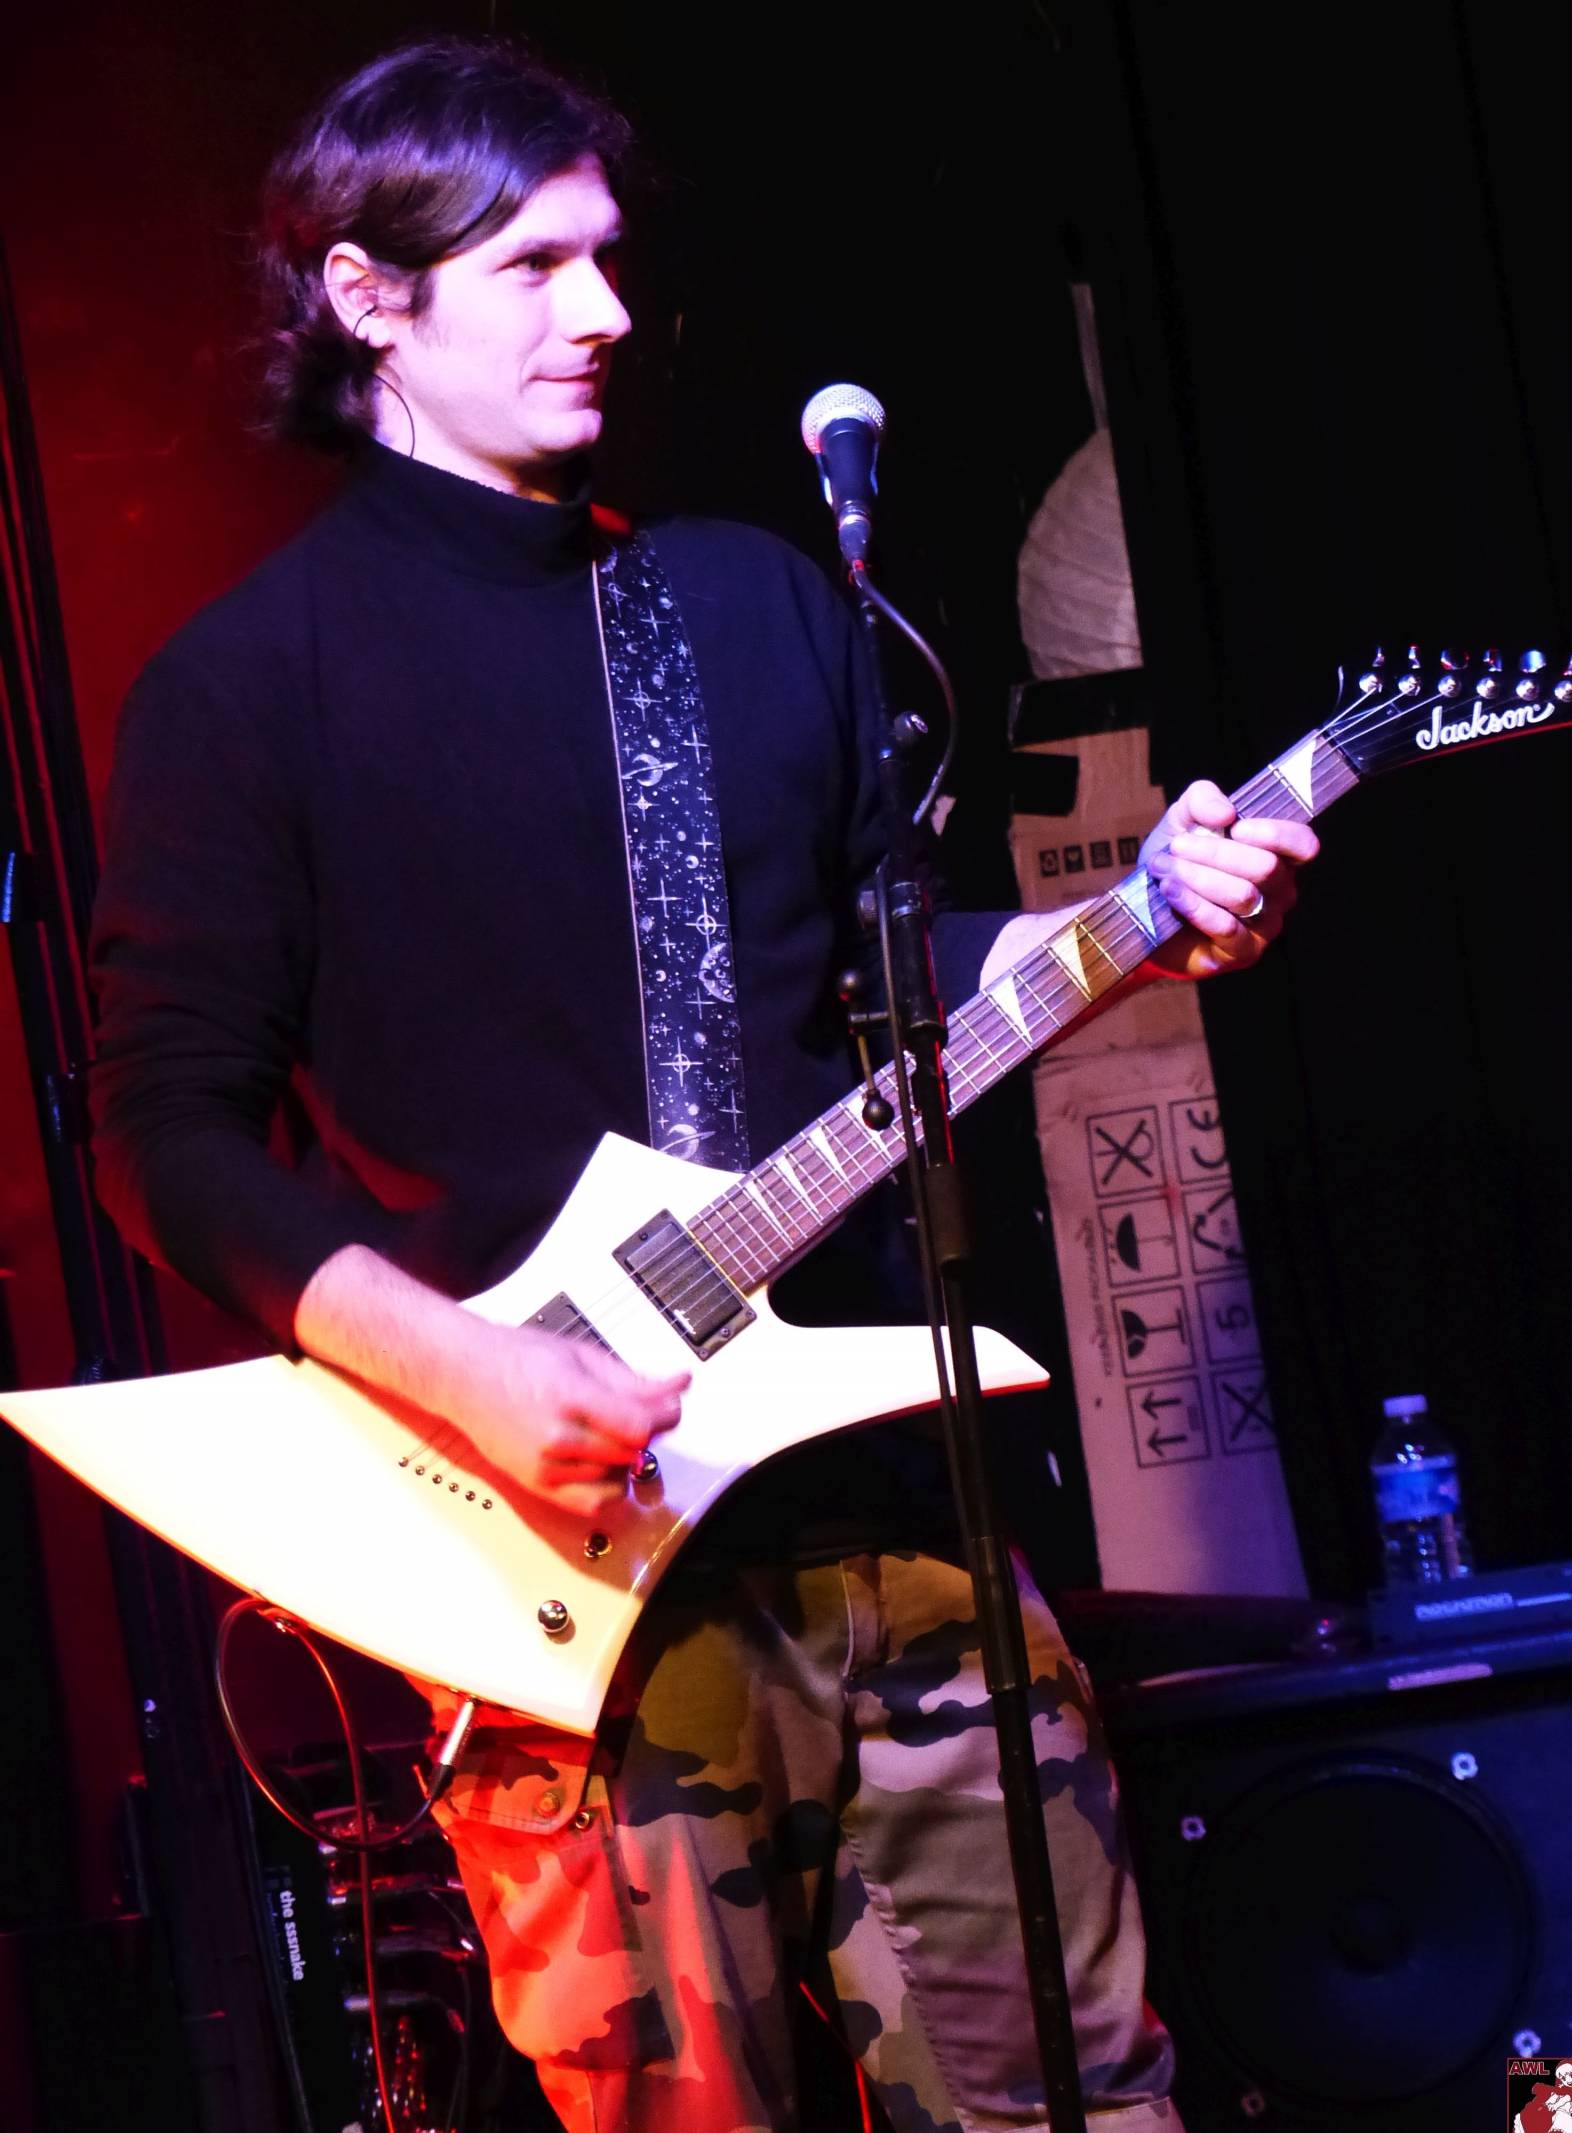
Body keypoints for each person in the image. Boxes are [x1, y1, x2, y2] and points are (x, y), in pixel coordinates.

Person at [88, 38, 1317, 2133]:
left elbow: (896, 980)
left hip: (895, 1518)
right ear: (367, 298)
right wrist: (471, 1367)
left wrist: (1142, 924)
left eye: (609, 255)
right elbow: (166, 1129)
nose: (607, 310)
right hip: (569, 1574)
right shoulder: (246, 685)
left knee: (1088, 2100)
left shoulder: (748, 602)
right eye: (536, 265)